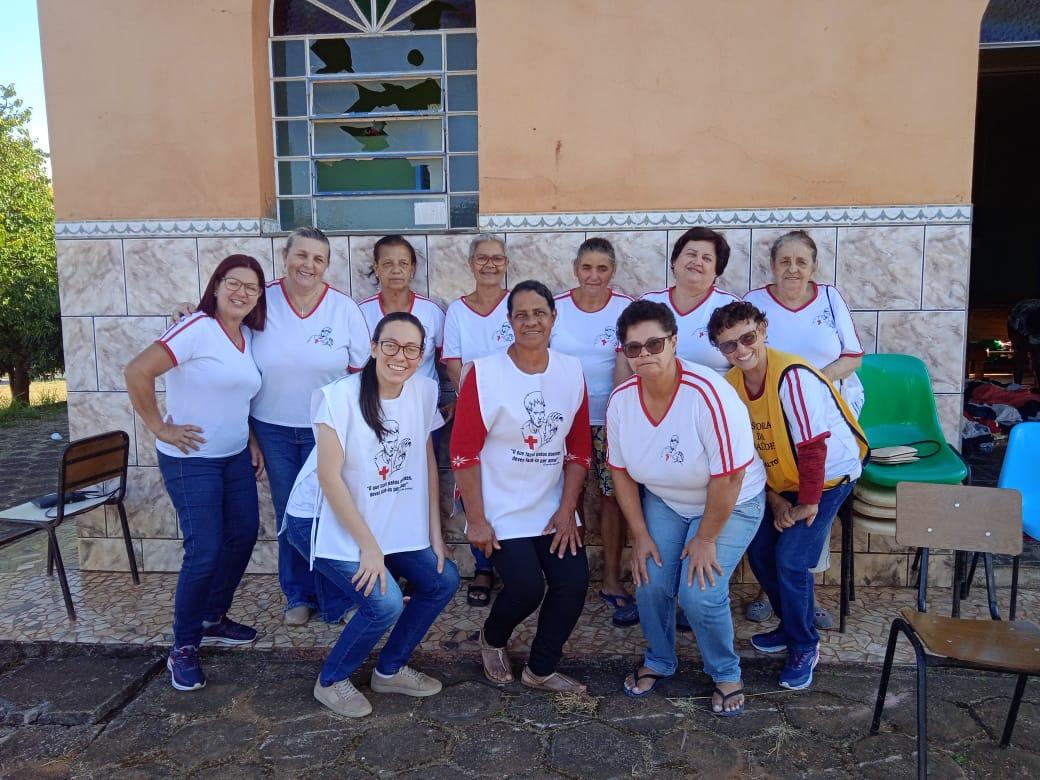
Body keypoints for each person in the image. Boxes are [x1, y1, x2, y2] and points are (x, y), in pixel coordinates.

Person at [282, 312, 459, 718]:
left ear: (421, 355)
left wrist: (435, 534)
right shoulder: (339, 397)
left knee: (442, 578)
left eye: (411, 348)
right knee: (384, 603)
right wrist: (369, 548)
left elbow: (426, 460)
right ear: (375, 348)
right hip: (321, 518)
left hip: (380, 514)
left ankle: (389, 669)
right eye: (391, 345)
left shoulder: (423, 391)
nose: (401, 355)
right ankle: (331, 680)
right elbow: (329, 479)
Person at [606, 300, 765, 715]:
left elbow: (729, 476)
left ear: (673, 342)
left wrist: (706, 537)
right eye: (634, 348)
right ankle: (660, 659)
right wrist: (639, 535)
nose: (645, 355)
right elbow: (619, 471)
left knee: (700, 594)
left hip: (731, 502)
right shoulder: (622, 400)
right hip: (666, 500)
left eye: (654, 344)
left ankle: (725, 672)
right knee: (650, 581)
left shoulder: (709, 393)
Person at [125, 255, 268, 691]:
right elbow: (137, 371)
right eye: (234, 283)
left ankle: (213, 616)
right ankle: (183, 647)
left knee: (243, 534)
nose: (242, 293)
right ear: (217, 285)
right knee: (204, 550)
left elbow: (237, 397)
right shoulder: (196, 327)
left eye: (252, 288)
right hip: (191, 462)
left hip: (233, 456)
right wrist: (159, 427)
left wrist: (251, 441)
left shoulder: (244, 336)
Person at [708, 301, 867, 691]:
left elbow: (814, 448)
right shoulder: (730, 385)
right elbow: (746, 451)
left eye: (747, 337)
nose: (741, 349)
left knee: (791, 558)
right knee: (760, 549)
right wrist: (777, 500)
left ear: (762, 330)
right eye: (729, 345)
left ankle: (803, 643)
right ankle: (790, 624)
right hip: (780, 481)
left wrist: (806, 503)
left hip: (826, 480)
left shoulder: (792, 376)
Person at [451, 280, 592, 693]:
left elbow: (579, 451)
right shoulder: (485, 373)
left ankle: (541, 669)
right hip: (498, 506)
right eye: (521, 314)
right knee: (527, 586)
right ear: (509, 322)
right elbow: (463, 454)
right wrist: (476, 520)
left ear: (553, 317)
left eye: (539, 313)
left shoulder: (571, 370)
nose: (531, 321)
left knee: (573, 581)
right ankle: (492, 638)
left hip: (551, 503)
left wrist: (568, 509)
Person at [742, 230, 865, 628]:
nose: (793, 269)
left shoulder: (830, 298)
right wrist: (782, 394)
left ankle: (805, 595)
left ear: (814, 266)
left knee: (816, 502)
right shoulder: (755, 303)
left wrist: (811, 384)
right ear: (773, 266)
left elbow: (853, 356)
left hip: (827, 412)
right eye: (785, 262)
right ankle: (769, 591)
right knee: (779, 496)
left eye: (801, 262)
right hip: (772, 416)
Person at [550, 237, 637, 627]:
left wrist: (621, 417)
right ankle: (568, 577)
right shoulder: (555, 308)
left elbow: (630, 363)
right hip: (561, 422)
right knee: (566, 497)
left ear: (612, 272)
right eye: (587, 268)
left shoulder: (626, 310)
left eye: (602, 269)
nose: (594, 276)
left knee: (612, 498)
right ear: (575, 270)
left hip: (610, 421)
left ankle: (612, 579)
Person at [441, 234, 514, 608]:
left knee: (510, 485)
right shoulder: (457, 310)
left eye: (497, 259)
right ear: (471, 264)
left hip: (514, 417)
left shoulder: (516, 306)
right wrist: (476, 405)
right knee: (473, 490)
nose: (489, 265)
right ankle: (483, 565)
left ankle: (514, 563)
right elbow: (453, 364)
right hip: (473, 414)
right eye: (482, 258)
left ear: (506, 264)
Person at [637, 227, 741, 374]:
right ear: (674, 260)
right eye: (691, 254)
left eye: (707, 258)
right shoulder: (648, 303)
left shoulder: (731, 307)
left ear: (717, 270)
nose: (697, 261)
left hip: (712, 396)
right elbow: (627, 360)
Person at [358, 235, 445, 387]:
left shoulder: (431, 312)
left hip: (423, 404)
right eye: (387, 264)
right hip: (373, 403)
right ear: (376, 268)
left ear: (412, 269)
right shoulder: (360, 313)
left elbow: (444, 361)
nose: (396, 270)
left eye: (403, 264)